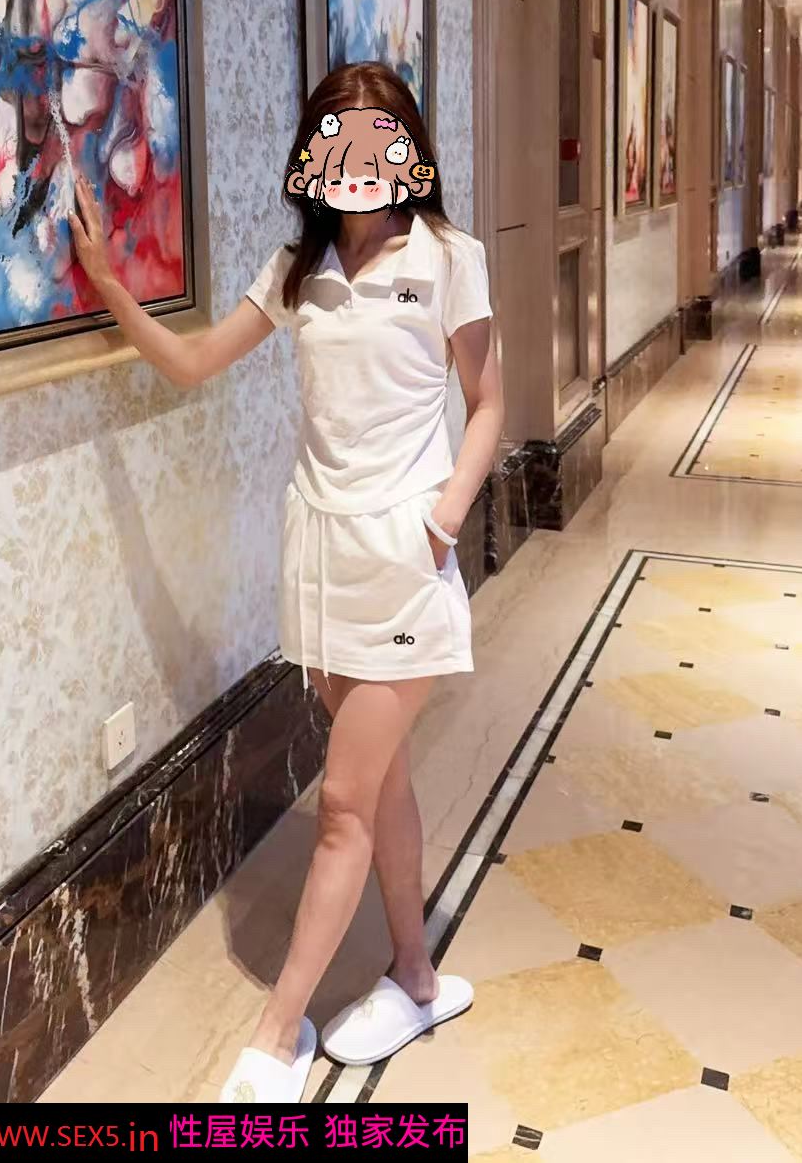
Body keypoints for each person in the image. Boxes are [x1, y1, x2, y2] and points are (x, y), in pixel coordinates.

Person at [69, 61, 503, 1102]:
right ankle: (416, 976)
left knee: (343, 801)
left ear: (407, 150)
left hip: (405, 560)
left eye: (377, 137)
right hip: (319, 560)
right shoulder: (295, 269)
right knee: (382, 780)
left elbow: (489, 401)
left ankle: (278, 1031)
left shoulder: (449, 258)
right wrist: (111, 283)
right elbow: (191, 363)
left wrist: (446, 516)